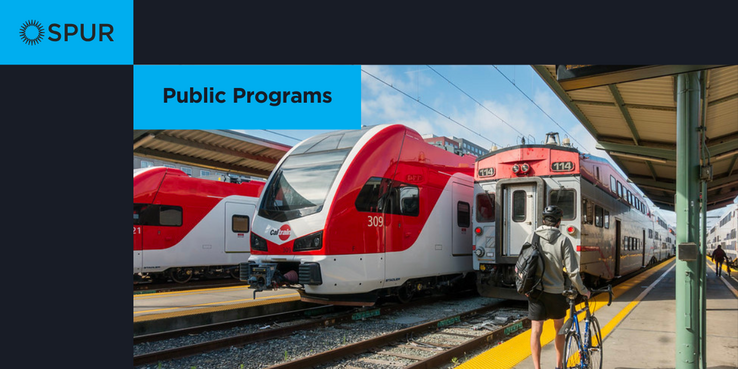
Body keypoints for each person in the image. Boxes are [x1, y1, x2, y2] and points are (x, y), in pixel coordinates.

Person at [524, 205, 591, 369]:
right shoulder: (564, 240)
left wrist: (526, 288)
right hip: (556, 293)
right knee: (559, 329)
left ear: (543, 221)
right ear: (559, 222)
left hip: (536, 292)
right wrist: (584, 291)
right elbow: (573, 273)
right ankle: (559, 366)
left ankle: (537, 367)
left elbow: (523, 264)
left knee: (536, 330)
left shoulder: (531, 237)